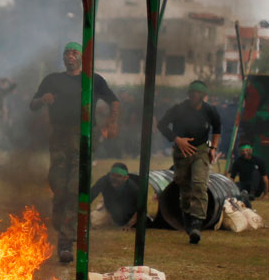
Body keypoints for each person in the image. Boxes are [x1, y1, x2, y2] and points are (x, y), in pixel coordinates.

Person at [30, 41, 120, 263]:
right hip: (59, 137)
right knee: (59, 187)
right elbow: (32, 104)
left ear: (81, 57)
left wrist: (112, 121)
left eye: (73, 53)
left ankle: (65, 241)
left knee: (73, 188)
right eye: (66, 53)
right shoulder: (52, 79)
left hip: (84, 137)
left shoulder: (93, 80)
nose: (69, 56)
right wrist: (43, 100)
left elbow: (113, 100)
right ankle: (67, 225)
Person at [156, 79, 221, 244]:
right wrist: (177, 140)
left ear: (203, 95)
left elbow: (217, 128)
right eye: (191, 92)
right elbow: (161, 125)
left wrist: (213, 148)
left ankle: (197, 224)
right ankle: (186, 217)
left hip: (200, 150)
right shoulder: (178, 109)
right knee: (184, 185)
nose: (193, 95)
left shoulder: (210, 110)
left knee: (199, 184)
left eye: (197, 93)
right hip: (182, 151)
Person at [90, 162, 140, 230]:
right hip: (108, 210)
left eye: (119, 176)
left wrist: (130, 224)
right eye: (112, 175)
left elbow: (140, 208)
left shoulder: (133, 189)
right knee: (92, 222)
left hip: (127, 216)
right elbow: (90, 195)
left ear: (126, 178)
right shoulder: (104, 181)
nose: (115, 178)